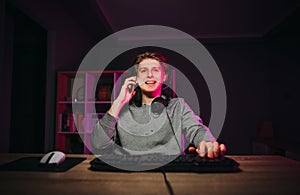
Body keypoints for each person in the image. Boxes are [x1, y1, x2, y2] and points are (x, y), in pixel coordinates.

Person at [91, 52, 226, 158]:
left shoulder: (178, 106)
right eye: (143, 71)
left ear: (164, 77)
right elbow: (98, 144)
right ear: (136, 78)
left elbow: (197, 130)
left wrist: (207, 144)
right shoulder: (122, 110)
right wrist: (118, 102)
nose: (150, 75)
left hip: (172, 175)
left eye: (155, 70)